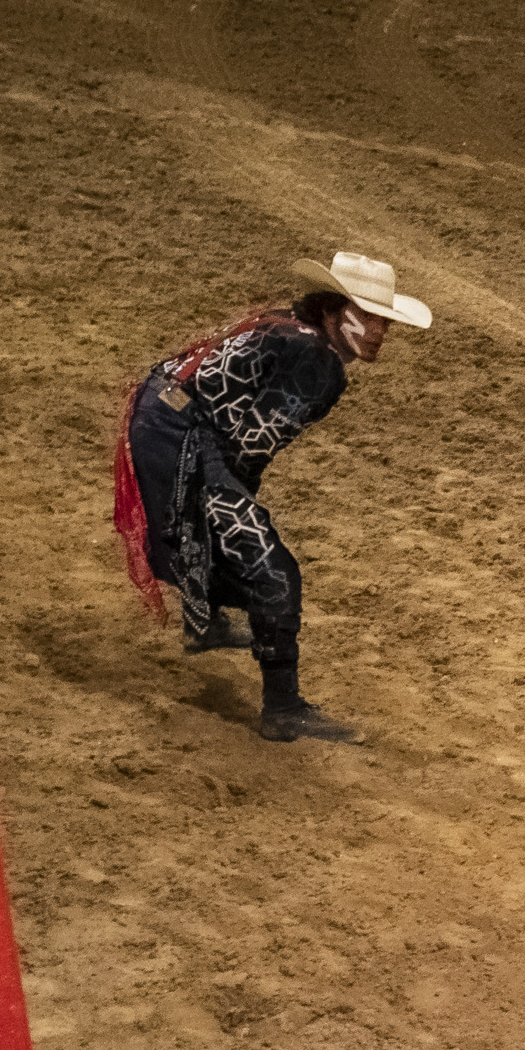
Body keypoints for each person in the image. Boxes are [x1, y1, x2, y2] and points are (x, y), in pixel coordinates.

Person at [114, 254, 433, 745]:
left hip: (164, 415)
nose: (377, 332)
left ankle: (209, 622)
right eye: (367, 317)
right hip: (182, 434)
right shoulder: (317, 362)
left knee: (220, 534)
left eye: (383, 321)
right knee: (270, 570)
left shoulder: (286, 326)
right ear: (333, 310)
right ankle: (282, 708)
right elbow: (249, 450)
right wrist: (236, 510)